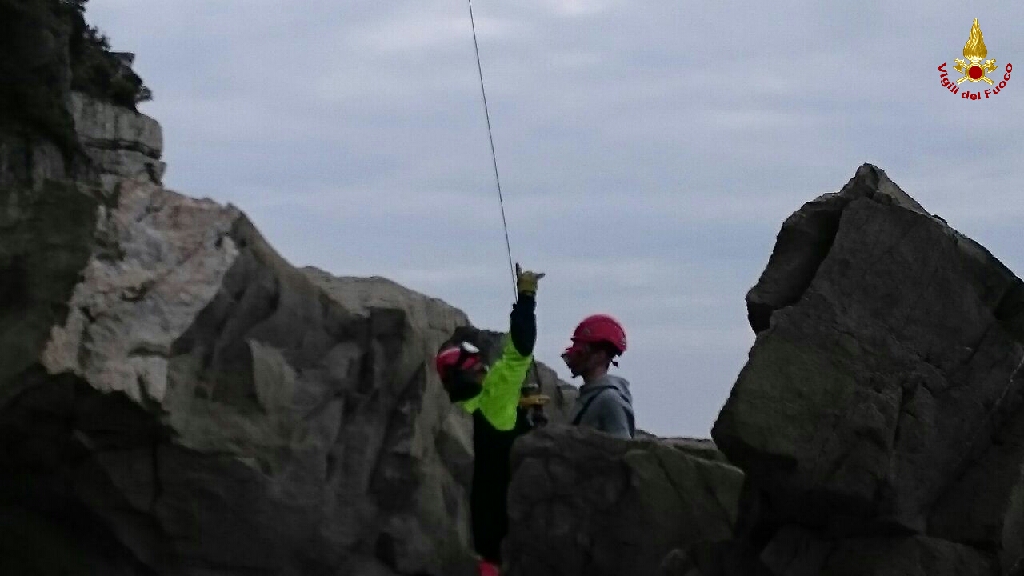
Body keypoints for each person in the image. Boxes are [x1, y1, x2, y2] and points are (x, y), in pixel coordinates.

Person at [433, 264, 547, 576]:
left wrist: (519, 407)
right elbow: (520, 350)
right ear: (472, 373)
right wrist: (526, 297)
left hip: (477, 536)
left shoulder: (462, 411)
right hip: (509, 531)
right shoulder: (494, 400)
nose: (486, 367)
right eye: (480, 366)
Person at [561, 314, 635, 439]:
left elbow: (622, 450)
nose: (573, 358)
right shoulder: (588, 395)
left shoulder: (610, 400)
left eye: (581, 351)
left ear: (601, 356)